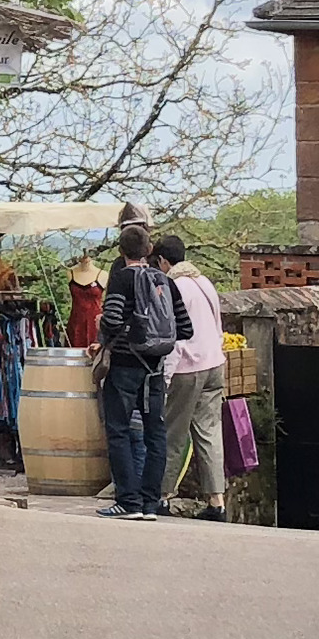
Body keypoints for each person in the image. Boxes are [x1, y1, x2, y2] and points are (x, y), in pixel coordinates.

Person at [94, 221, 185, 518]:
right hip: (156, 369)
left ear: (121, 251)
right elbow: (184, 327)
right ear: (148, 250)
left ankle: (128, 501)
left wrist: (112, 337)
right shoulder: (165, 281)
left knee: (118, 431)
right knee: (155, 433)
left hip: (124, 367)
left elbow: (111, 319)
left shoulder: (121, 279)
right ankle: (150, 502)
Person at [155, 232, 227, 518]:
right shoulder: (204, 282)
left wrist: (166, 377)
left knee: (173, 433)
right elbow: (218, 325)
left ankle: (161, 496)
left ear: (162, 260)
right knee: (209, 434)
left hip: (189, 367)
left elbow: (176, 337)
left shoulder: (174, 286)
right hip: (214, 364)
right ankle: (217, 502)